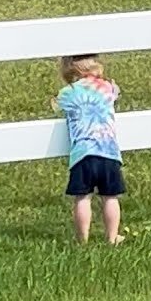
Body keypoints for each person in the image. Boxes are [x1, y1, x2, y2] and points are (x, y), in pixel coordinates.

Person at [51, 53, 126, 244]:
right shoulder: (106, 88)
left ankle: (82, 239)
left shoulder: (68, 93)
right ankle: (112, 237)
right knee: (110, 197)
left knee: (82, 197)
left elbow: (56, 105)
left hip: (82, 154)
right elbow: (115, 92)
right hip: (109, 152)